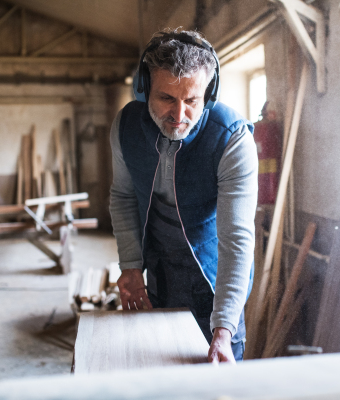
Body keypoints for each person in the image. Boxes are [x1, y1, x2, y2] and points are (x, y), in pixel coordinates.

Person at [109, 28, 258, 363]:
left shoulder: (232, 139)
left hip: (214, 284)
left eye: (192, 101)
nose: (179, 117)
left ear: (209, 93)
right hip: (158, 275)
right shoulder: (126, 126)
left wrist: (223, 330)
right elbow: (122, 196)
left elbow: (237, 238)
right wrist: (131, 265)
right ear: (144, 88)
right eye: (166, 99)